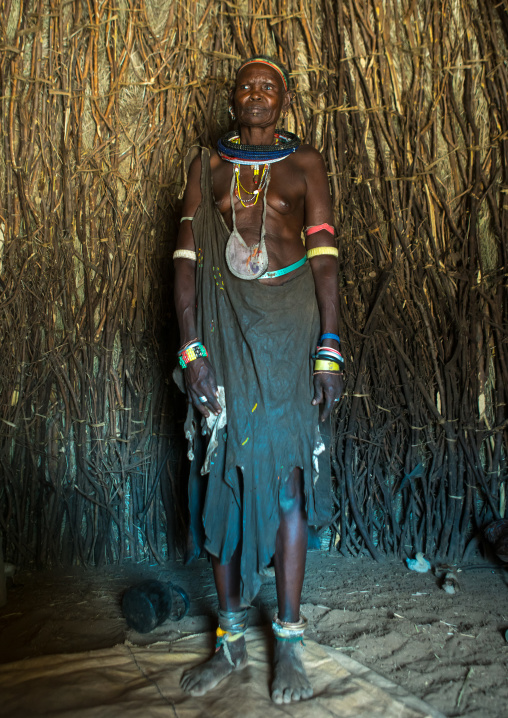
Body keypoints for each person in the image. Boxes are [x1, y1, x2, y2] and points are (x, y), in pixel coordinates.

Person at [173, 55, 343, 705]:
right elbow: (185, 260)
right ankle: (229, 642)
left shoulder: (307, 166)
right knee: (225, 480)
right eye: (246, 85)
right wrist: (193, 352)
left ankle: (291, 643)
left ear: (285, 98)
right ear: (232, 97)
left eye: (268, 85)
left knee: (290, 481)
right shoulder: (206, 167)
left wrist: (329, 350)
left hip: (291, 334)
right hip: (224, 338)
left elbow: (325, 256)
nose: (256, 94)